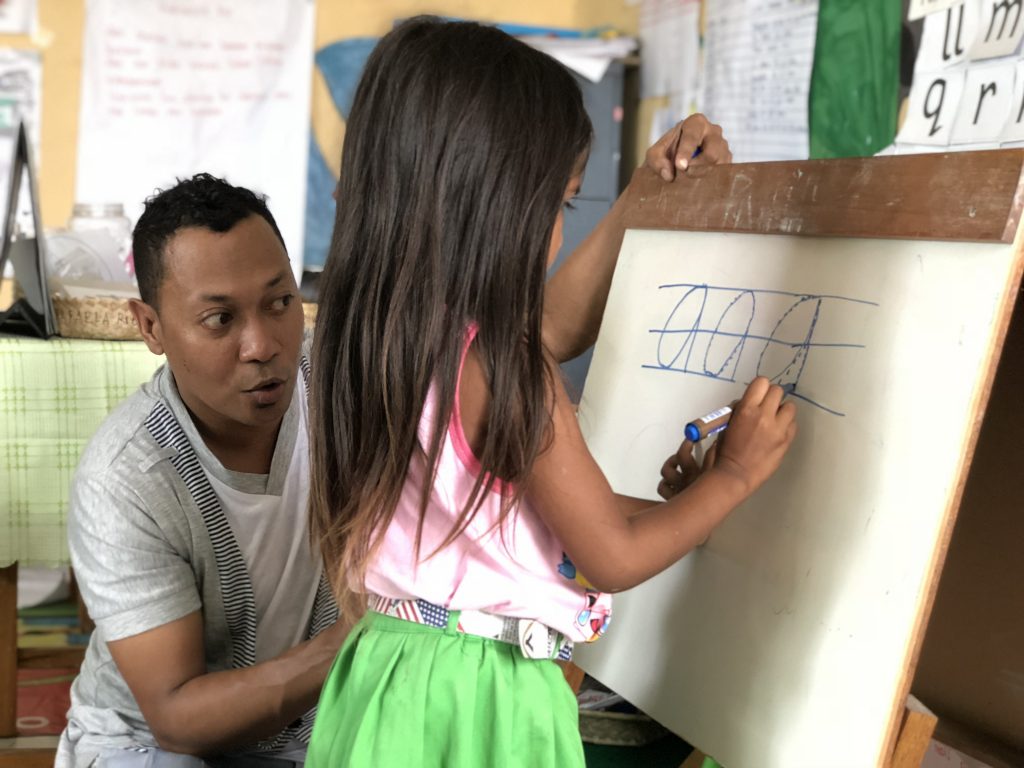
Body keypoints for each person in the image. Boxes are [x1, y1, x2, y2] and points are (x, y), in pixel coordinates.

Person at [305, 16, 796, 768]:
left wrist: (643, 197)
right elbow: (613, 555)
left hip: (386, 678)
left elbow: (507, 522)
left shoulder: (377, 336)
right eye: (562, 205)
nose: (558, 230)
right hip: (486, 704)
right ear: (495, 204)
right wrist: (733, 478)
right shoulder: (504, 371)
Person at [57, 174, 343, 768]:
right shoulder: (127, 478)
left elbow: (544, 337)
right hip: (148, 742)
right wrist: (363, 635)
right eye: (219, 320)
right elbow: (179, 718)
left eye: (280, 302)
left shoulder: (340, 381)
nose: (262, 344)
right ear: (151, 327)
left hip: (315, 725)